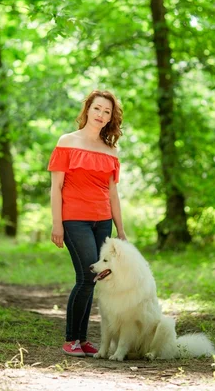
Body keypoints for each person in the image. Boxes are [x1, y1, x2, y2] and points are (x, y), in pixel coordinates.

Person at [48, 89, 127, 357]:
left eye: (107, 111)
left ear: (110, 117)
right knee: (86, 277)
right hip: (74, 220)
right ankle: (71, 339)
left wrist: (121, 229)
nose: (101, 115)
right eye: (97, 109)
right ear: (88, 110)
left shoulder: (111, 150)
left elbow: (113, 193)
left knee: (93, 279)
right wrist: (57, 224)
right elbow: (56, 187)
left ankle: (81, 340)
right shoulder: (67, 142)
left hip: (102, 221)